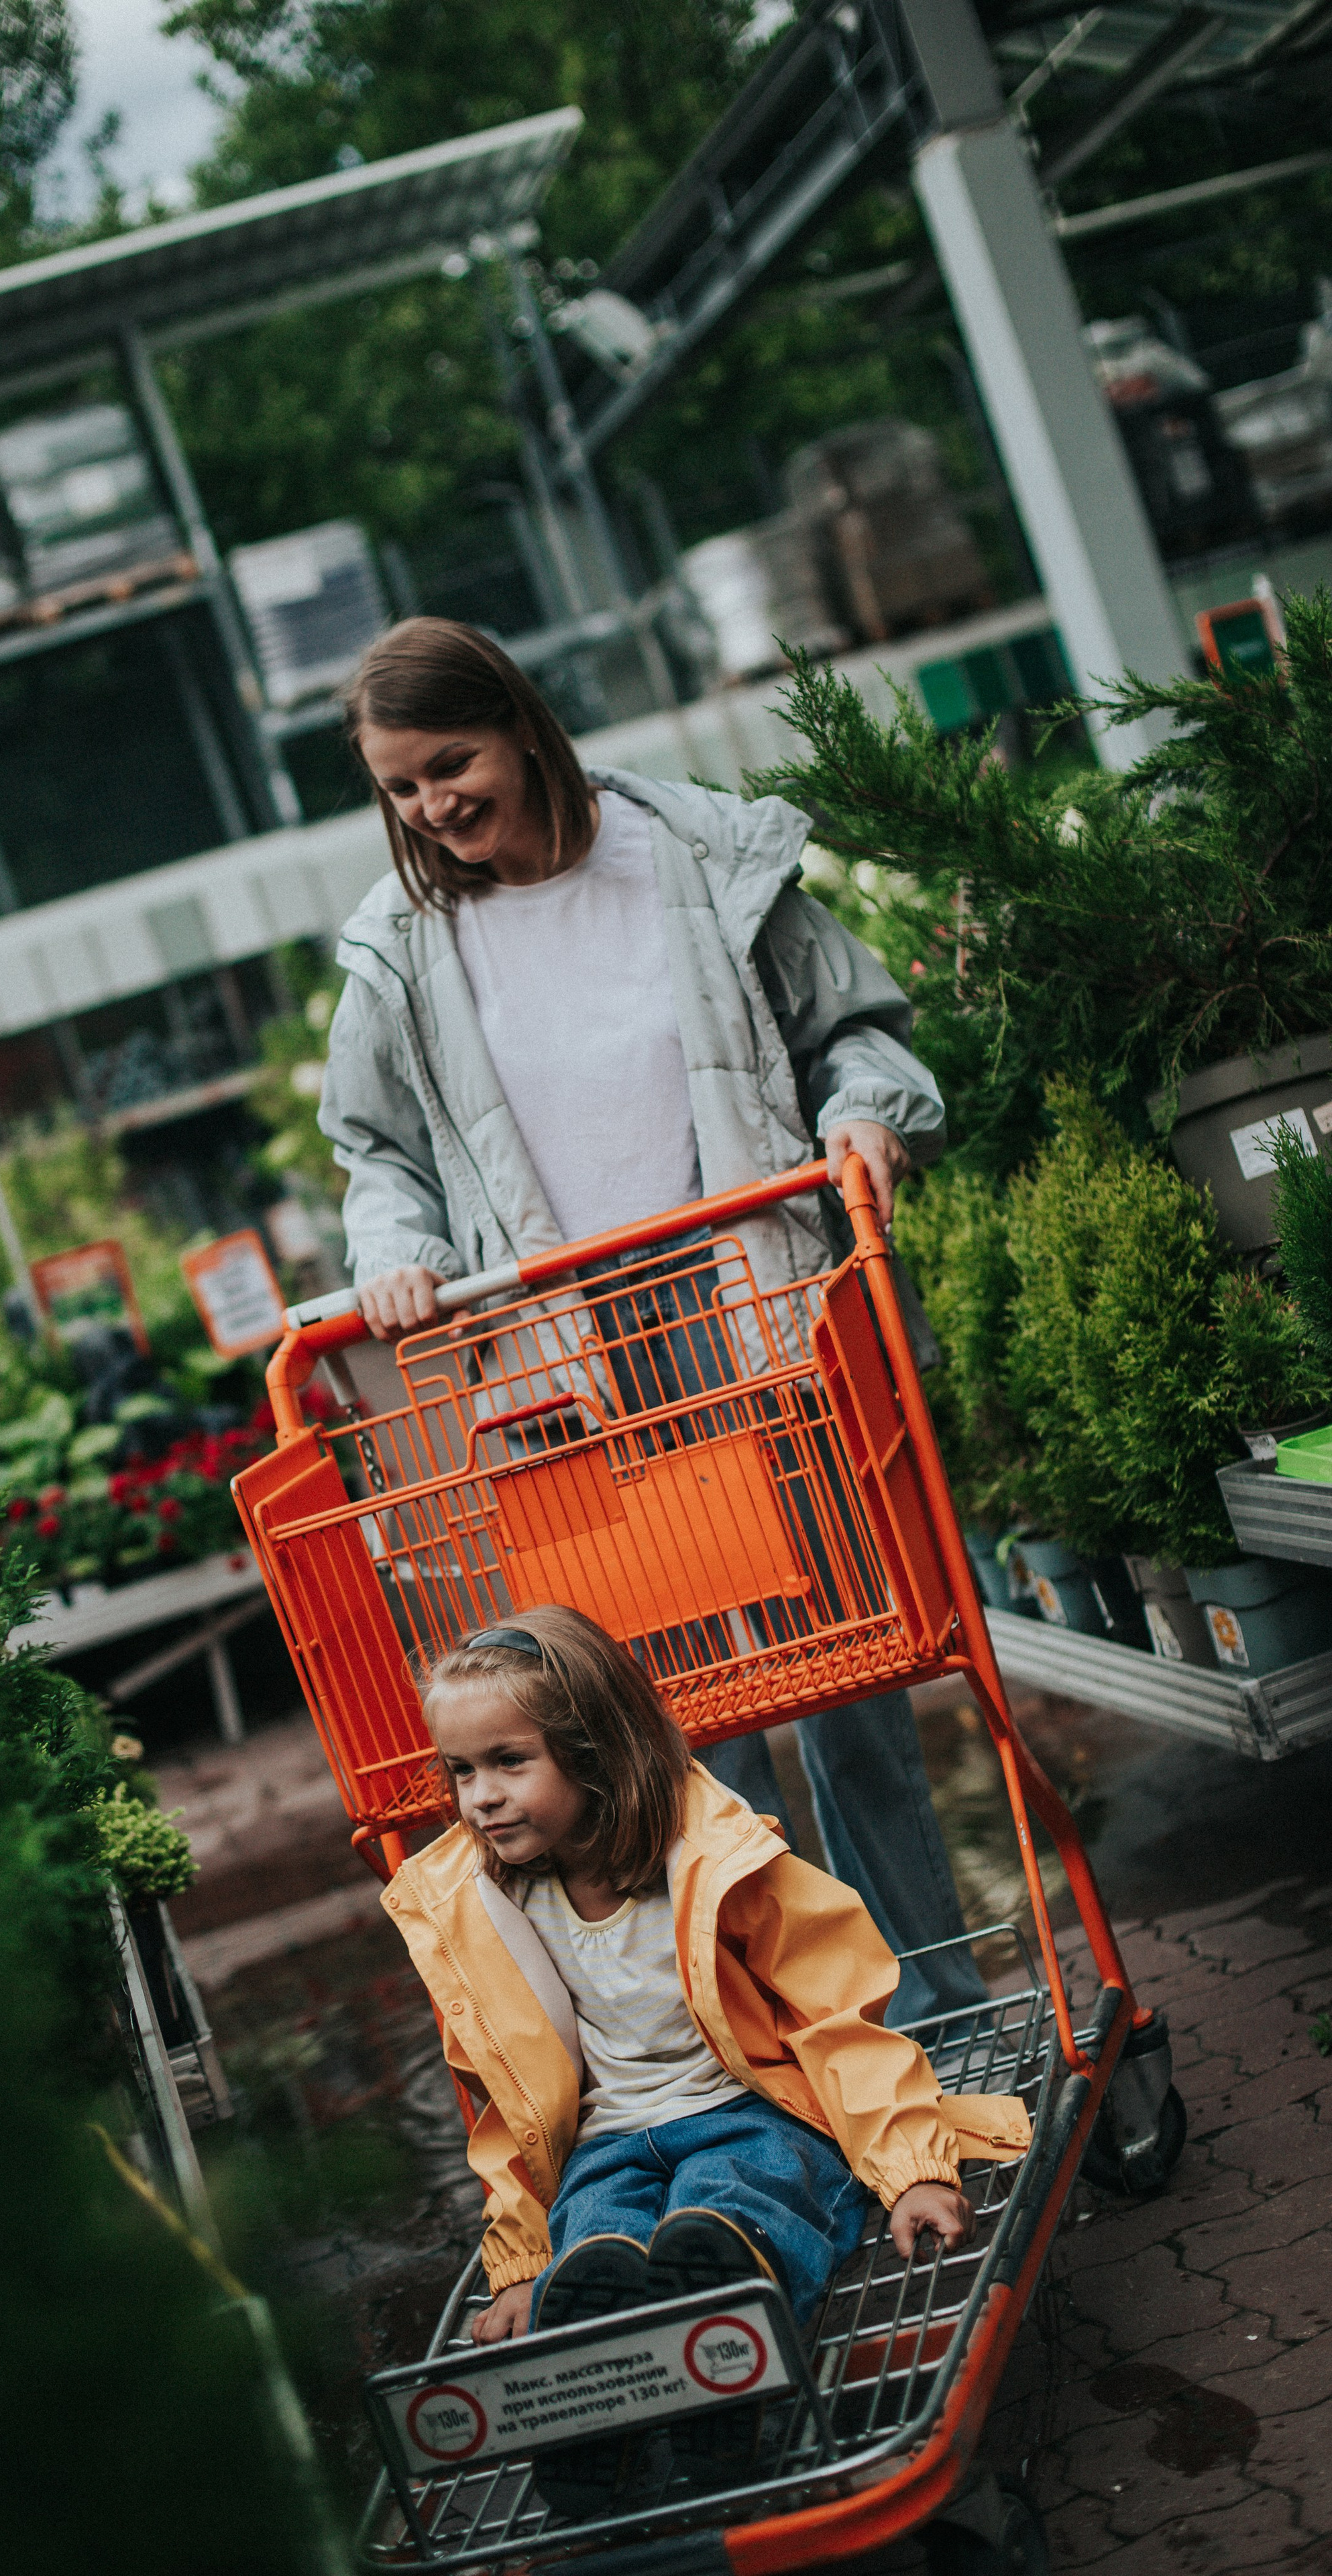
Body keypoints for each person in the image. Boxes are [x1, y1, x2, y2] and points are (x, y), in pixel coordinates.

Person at [321, 616, 985, 2027]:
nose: (432, 807)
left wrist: (862, 1117)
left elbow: (850, 1032)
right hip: (562, 1369)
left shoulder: (698, 857)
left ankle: (941, 2020)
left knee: (845, 1696)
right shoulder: (401, 943)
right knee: (658, 1735)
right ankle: (776, 2048)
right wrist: (394, 1249)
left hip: (750, 1313)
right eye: (397, 787)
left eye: (449, 763)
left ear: (518, 724)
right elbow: (375, 1151)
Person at [380, 1608, 1030, 2511]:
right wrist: (524, 2261)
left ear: (595, 1754)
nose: (479, 1796)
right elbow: (509, 2104)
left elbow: (834, 2016)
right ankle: (598, 2418)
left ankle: (735, 2361)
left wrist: (913, 2166)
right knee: (596, 2237)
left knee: (732, 2204)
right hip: (611, 2140)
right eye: (461, 1771)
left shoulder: (715, 1863)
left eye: (508, 1762)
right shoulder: (487, 1904)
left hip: (748, 2108)